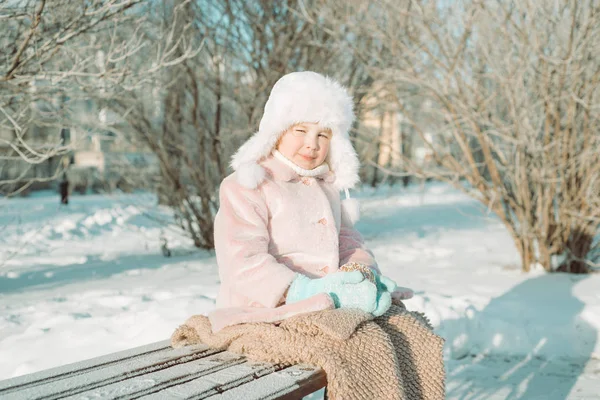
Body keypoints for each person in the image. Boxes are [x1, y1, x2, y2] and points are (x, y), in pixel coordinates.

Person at [209, 71, 412, 332]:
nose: (312, 144)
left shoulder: (325, 187)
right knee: (357, 345)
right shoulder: (249, 186)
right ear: (277, 132)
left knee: (401, 329)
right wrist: (302, 290)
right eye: (301, 130)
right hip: (262, 312)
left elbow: (347, 240)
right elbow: (242, 260)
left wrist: (361, 273)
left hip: (323, 307)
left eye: (323, 135)